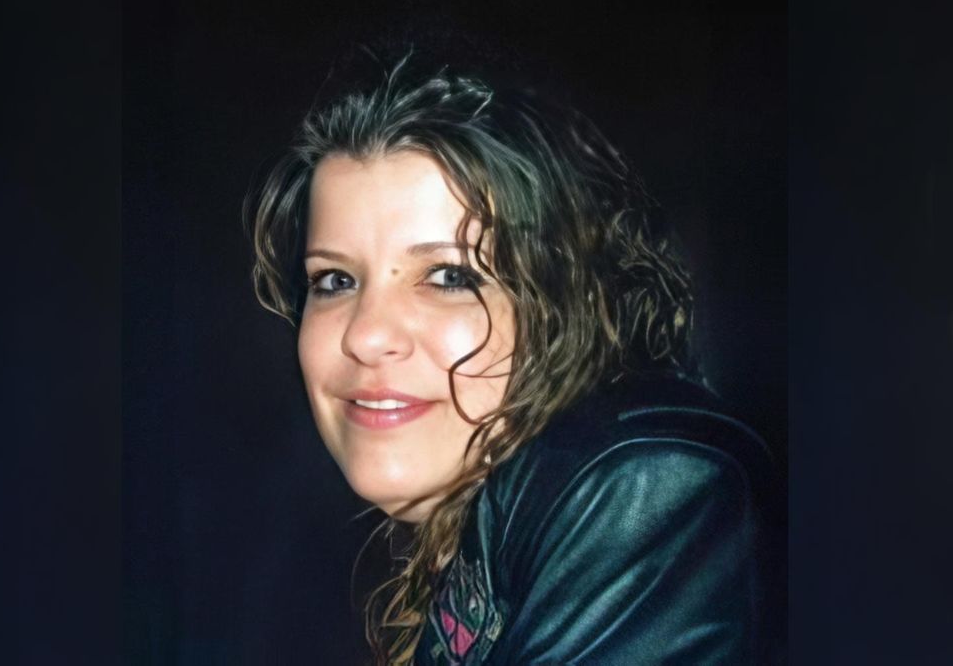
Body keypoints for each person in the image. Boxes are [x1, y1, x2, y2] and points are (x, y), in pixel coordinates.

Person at [245, 56, 772, 665]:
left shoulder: (647, 485)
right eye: (335, 280)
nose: (365, 335)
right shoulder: (489, 541)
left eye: (449, 276)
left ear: (565, 304)